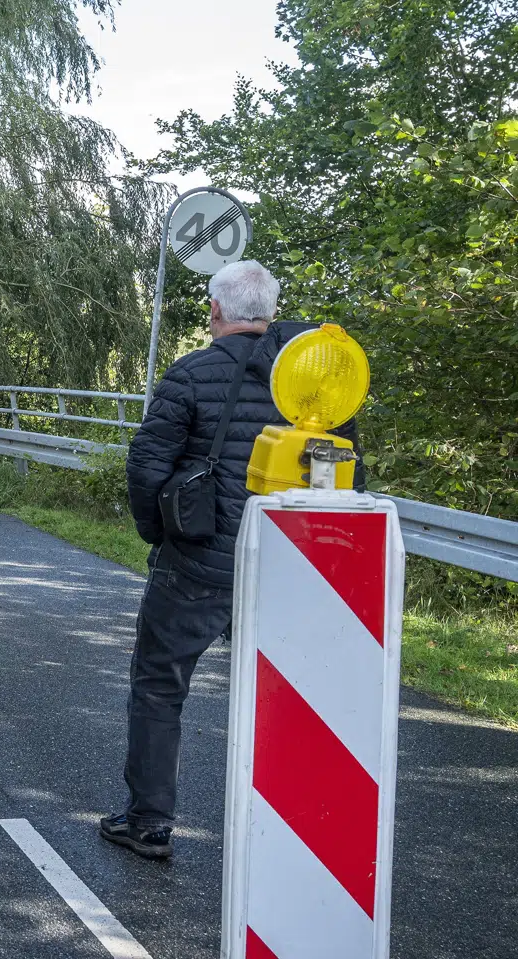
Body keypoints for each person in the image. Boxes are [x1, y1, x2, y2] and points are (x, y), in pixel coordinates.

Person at [100, 260, 362, 860]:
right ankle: (296, 832)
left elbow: (146, 466)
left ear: (215, 311)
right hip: (290, 570)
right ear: (270, 311)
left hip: (197, 566)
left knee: (160, 688)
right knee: (291, 698)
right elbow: (348, 475)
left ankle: (148, 822)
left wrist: (157, 536)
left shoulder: (191, 373)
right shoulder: (315, 390)